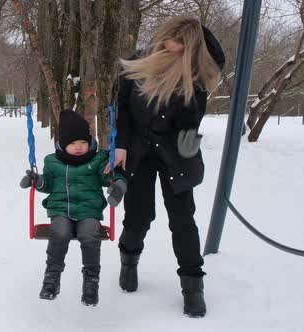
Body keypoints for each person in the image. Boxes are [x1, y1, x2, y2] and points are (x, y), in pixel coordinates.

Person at [107, 16, 225, 317]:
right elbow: (121, 107)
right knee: (138, 216)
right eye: (170, 37)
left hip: (175, 155)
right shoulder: (138, 63)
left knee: (183, 220)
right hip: (138, 153)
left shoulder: (195, 76)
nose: (170, 45)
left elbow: (216, 59)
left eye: (180, 41)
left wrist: (188, 153)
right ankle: (129, 259)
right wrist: (120, 144)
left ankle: (192, 286)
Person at [20, 109, 127, 306]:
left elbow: (110, 176)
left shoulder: (98, 160)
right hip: (61, 210)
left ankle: (91, 282)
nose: (79, 147)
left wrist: (118, 185)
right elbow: (48, 184)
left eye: (83, 143)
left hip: (89, 210)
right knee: (59, 232)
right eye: (73, 143)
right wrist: (36, 180)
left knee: (89, 235)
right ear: (63, 144)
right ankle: (52, 278)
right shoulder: (53, 162)